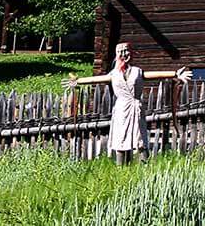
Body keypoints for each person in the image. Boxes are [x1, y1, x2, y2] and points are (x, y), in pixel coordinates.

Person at [63, 42, 193, 164]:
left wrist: (175, 74)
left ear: (132, 53)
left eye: (126, 51)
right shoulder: (114, 74)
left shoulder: (137, 71)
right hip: (121, 109)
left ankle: (144, 166)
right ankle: (121, 169)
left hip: (135, 107)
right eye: (121, 52)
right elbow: (97, 79)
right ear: (117, 55)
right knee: (120, 138)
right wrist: (78, 81)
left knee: (140, 138)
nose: (124, 55)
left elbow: (154, 75)